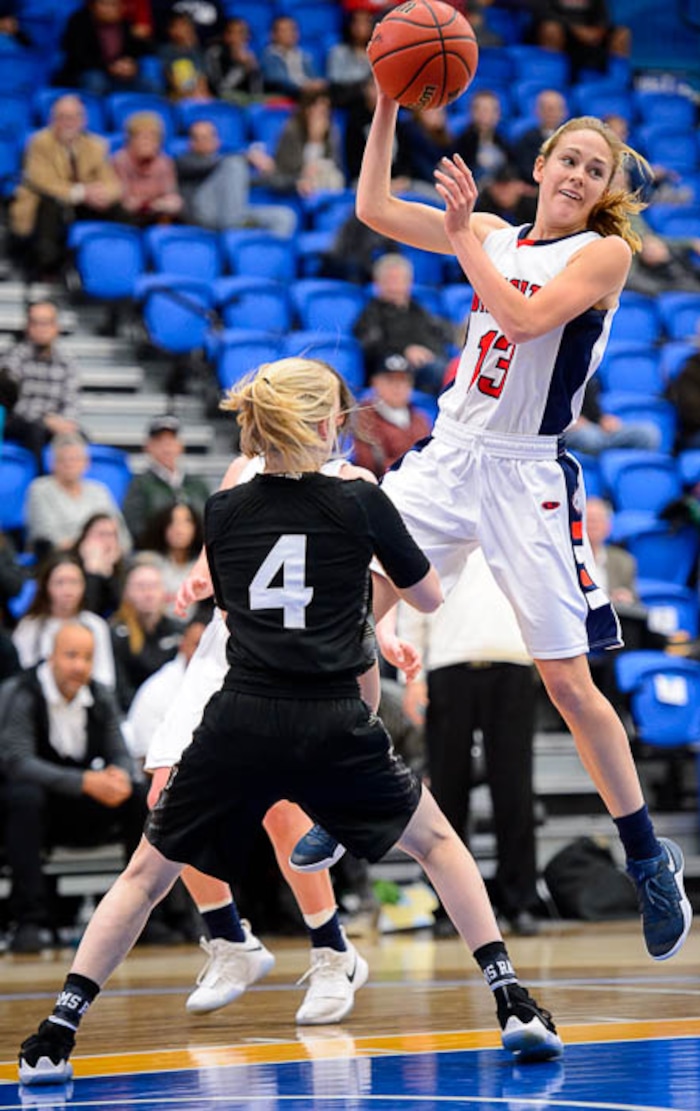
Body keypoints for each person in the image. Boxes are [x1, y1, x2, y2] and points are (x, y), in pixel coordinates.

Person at [18, 357, 562, 1086]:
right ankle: (511, 998)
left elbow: (235, 596)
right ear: (322, 424)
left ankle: (57, 1029)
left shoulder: (223, 510)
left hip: (242, 713)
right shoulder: (358, 498)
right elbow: (427, 596)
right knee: (438, 843)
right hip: (333, 715)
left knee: (147, 874)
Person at [340, 96, 693, 964]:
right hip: (450, 454)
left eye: (594, 167)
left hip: (526, 470)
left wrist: (465, 237)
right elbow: (374, 209)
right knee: (346, 619)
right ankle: (351, 792)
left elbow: (527, 319)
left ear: (606, 189)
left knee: (570, 686)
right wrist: (387, 104)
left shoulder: (604, 253)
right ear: (538, 167)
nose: (576, 173)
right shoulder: (495, 228)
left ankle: (648, 856)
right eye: (566, 158)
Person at [397, 550, 541, 937]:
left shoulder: (515, 518)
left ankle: (520, 900)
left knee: (514, 791)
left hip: (511, 664)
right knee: (447, 791)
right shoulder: (435, 524)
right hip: (447, 667)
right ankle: (449, 906)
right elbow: (411, 602)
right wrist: (412, 677)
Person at [0, 621, 147, 955]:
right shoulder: (21, 692)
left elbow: (120, 752)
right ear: (51, 656)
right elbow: (17, 760)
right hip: (36, 808)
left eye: (87, 657)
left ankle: (145, 917)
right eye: (71, 655)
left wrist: (120, 777)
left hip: (81, 803)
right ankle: (29, 921)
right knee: (24, 797)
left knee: (139, 796)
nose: (79, 665)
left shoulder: (99, 694)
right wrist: (83, 781)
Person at [8, 95, 124, 280]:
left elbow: (113, 184)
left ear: (83, 120)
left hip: (84, 205)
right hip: (46, 202)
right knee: (50, 205)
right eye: (63, 117)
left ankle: (116, 263)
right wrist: (81, 192)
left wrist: (103, 195)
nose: (69, 123)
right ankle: (47, 269)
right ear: (52, 120)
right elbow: (42, 180)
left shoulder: (96, 145)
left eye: (74, 117)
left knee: (119, 210)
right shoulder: (39, 142)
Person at [12, 552, 117, 689]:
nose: (67, 590)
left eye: (74, 582)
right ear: (46, 586)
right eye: (59, 583)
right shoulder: (30, 626)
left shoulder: (96, 625)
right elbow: (22, 675)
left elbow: (106, 679)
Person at [175, 120, 297, 237]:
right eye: (200, 138)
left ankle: (269, 256)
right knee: (234, 163)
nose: (207, 141)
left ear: (218, 140)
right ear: (191, 143)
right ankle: (234, 226)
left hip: (233, 214)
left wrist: (295, 182)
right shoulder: (184, 161)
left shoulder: (225, 165)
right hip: (205, 216)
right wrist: (246, 157)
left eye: (211, 136)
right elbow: (206, 166)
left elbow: (255, 180)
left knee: (284, 217)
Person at [353, 253, 454, 395]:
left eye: (400, 279)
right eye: (389, 280)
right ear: (377, 283)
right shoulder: (371, 313)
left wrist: (430, 352)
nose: (395, 285)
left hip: (429, 365)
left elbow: (437, 336)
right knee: (444, 373)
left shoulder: (418, 310)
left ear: (409, 282)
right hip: (395, 369)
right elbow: (371, 347)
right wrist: (405, 350)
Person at [1, 299, 81, 467]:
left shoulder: (68, 361)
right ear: (27, 327)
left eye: (46, 323)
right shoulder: (14, 358)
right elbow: (10, 403)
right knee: (35, 430)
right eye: (35, 323)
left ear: (56, 327)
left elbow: (71, 401)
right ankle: (40, 483)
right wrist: (45, 420)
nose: (41, 328)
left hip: (55, 424)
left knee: (80, 438)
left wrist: (66, 422)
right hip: (20, 422)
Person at [25, 434, 131, 560]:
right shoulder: (40, 489)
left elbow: (121, 535)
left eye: (75, 459)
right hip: (60, 559)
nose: (69, 464)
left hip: (105, 558)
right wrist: (89, 550)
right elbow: (47, 538)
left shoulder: (99, 490)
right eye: (63, 459)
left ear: (87, 463)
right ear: (52, 464)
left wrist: (112, 551)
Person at [122, 415, 210, 548]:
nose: (166, 447)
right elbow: (134, 527)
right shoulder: (139, 485)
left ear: (180, 446)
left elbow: (209, 523)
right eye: (159, 441)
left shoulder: (198, 485)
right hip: (155, 555)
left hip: (196, 555)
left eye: (171, 440)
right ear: (148, 447)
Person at [110, 554, 184, 711]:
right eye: (140, 587)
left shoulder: (178, 631)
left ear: (164, 591)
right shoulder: (115, 633)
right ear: (126, 592)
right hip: (131, 713)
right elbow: (119, 689)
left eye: (154, 586)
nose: (148, 594)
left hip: (171, 710)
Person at [352, 351, 432, 478]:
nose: (397, 387)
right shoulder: (365, 417)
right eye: (390, 380)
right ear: (375, 383)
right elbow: (369, 464)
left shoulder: (420, 419)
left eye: (403, 381)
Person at [57, 0, 154, 95]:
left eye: (114, 5)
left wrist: (131, 65)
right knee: (96, 80)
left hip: (121, 73)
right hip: (90, 71)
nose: (109, 9)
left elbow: (139, 51)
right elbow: (78, 56)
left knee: (149, 84)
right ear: (93, 6)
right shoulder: (79, 22)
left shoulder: (126, 25)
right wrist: (109, 67)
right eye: (104, 4)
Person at [263, 90, 345, 200]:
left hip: (322, 185)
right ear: (307, 109)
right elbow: (290, 171)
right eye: (319, 111)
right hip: (291, 185)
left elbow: (335, 163)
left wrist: (318, 138)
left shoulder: (331, 130)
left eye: (326, 111)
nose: (323, 116)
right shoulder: (291, 130)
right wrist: (314, 139)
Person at [111, 112, 184, 227]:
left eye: (153, 138)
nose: (148, 143)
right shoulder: (119, 161)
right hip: (127, 218)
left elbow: (171, 196)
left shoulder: (164, 163)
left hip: (156, 214)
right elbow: (122, 199)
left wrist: (159, 204)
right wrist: (145, 204)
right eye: (143, 138)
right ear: (131, 140)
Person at [565, 374, 661, 457]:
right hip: (567, 428)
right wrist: (568, 421)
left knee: (647, 434)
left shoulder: (585, 372)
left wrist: (602, 419)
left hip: (596, 427)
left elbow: (593, 407)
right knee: (590, 438)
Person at [534, 0, 631, 78]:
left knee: (622, 33)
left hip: (589, 33)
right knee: (551, 28)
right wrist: (576, 29)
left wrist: (596, 31)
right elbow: (541, 13)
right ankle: (551, 75)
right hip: (562, 32)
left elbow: (602, 17)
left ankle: (618, 81)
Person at [139, 501, 203, 617]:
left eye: (186, 521)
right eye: (172, 522)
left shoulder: (204, 565)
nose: (179, 529)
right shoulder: (147, 562)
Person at [71, 513, 127, 619]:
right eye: (101, 534)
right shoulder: (68, 565)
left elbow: (119, 609)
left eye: (112, 535)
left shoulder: (124, 566)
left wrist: (107, 573)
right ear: (85, 537)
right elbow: (87, 612)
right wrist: (92, 571)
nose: (107, 541)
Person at [260, 15, 327, 100]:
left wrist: (317, 84)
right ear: (273, 35)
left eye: (293, 29)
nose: (291, 33)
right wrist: (304, 86)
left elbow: (317, 77)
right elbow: (277, 81)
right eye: (284, 30)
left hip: (310, 93)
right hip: (289, 94)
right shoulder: (268, 56)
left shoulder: (305, 55)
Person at [454, 90, 513, 186]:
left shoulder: (502, 141)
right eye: (481, 110)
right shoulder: (463, 142)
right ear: (472, 113)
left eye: (491, 110)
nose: (485, 115)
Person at [513, 90, 569, 185]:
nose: (552, 113)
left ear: (564, 112)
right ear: (537, 111)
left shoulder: (571, 139)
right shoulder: (527, 139)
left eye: (556, 108)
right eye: (548, 109)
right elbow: (524, 169)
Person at [204, 16, 263, 99]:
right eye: (233, 33)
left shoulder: (249, 56)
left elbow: (257, 92)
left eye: (242, 33)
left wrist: (253, 68)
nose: (237, 38)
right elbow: (221, 90)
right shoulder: (214, 54)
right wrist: (241, 68)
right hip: (221, 101)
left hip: (245, 101)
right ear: (226, 36)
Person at [326, 8, 374, 109]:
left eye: (366, 22)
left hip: (371, 96)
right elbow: (336, 80)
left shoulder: (377, 53)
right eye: (357, 22)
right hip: (347, 96)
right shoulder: (338, 52)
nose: (361, 27)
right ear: (350, 26)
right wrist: (364, 84)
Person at [159, 10, 210, 100]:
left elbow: (202, 77)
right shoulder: (166, 51)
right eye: (176, 26)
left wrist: (200, 93)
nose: (181, 30)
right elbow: (169, 75)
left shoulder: (198, 51)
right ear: (170, 30)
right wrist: (186, 95)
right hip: (175, 95)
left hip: (198, 95)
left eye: (184, 25)